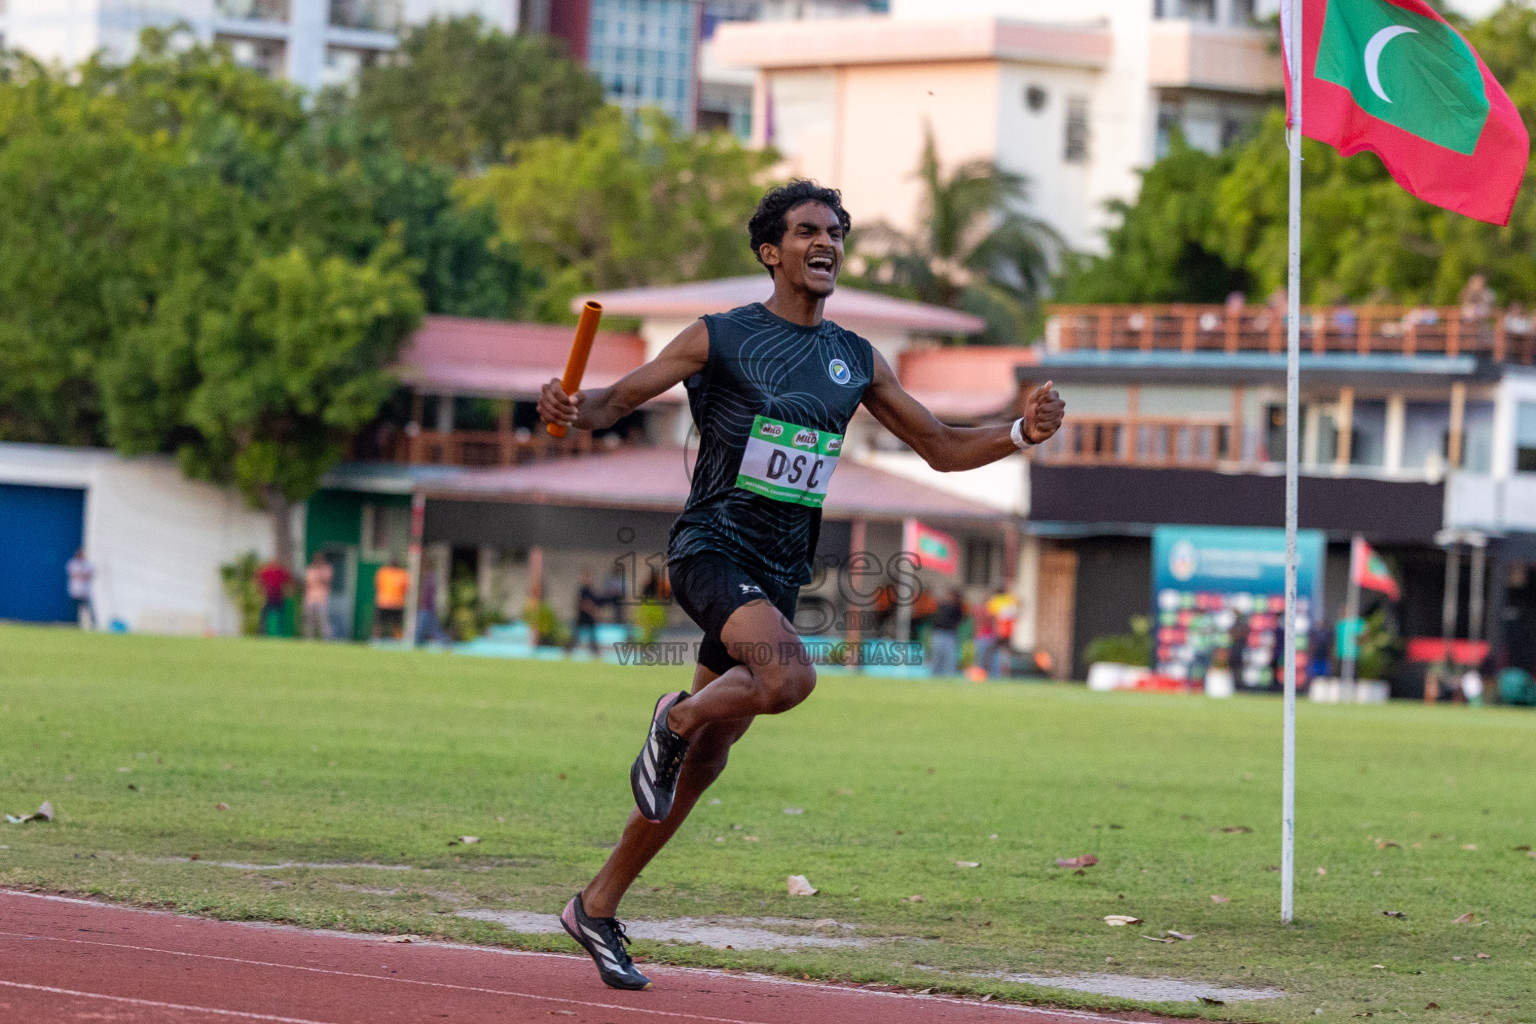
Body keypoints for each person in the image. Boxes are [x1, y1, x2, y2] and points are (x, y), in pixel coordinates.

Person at [537, 180, 1065, 990]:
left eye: (836, 233)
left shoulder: (856, 358)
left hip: (779, 573)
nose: (827, 243)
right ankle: (672, 718)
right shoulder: (719, 337)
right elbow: (616, 401)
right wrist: (574, 406)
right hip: (710, 550)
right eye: (808, 231)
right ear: (770, 252)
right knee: (786, 678)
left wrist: (1020, 434)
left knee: (710, 760)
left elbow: (941, 447)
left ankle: (597, 905)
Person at [565, 567, 605, 658]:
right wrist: (592, 611)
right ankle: (568, 651)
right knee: (576, 636)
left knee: (592, 636)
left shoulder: (591, 590)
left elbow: (595, 602)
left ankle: (595, 653)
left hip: (589, 618)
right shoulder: (583, 590)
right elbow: (583, 603)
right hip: (582, 617)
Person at [928, 589, 964, 677]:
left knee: (949, 657)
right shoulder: (941, 606)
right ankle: (935, 674)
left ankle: (948, 676)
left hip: (950, 634)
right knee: (937, 655)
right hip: (940, 633)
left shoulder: (957, 608)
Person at [372, 560, 410, 640]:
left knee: (396, 624)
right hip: (385, 603)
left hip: (395, 604)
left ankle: (397, 640)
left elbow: (406, 588)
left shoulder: (402, 574)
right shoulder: (384, 572)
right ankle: (376, 639)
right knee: (379, 623)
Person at [255, 558, 293, 637]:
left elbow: (289, 579)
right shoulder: (267, 571)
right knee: (264, 615)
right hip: (269, 597)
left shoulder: (280, 571)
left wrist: (288, 591)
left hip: (278, 597)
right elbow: (258, 578)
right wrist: (261, 590)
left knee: (280, 617)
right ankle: (262, 632)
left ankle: (279, 633)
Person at [302, 553, 334, 641]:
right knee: (309, 620)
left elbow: (326, 582)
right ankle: (308, 639)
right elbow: (307, 583)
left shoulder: (326, 569)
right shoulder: (310, 569)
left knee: (323, 620)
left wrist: (319, 574)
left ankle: (326, 639)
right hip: (310, 598)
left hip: (322, 598)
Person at [66, 548, 95, 629]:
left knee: (88, 610)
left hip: (85, 592)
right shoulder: (72, 563)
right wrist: (82, 575)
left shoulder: (88, 564)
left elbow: (89, 575)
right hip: (75, 591)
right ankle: (74, 624)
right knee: (74, 610)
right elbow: (74, 575)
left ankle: (92, 625)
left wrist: (81, 575)